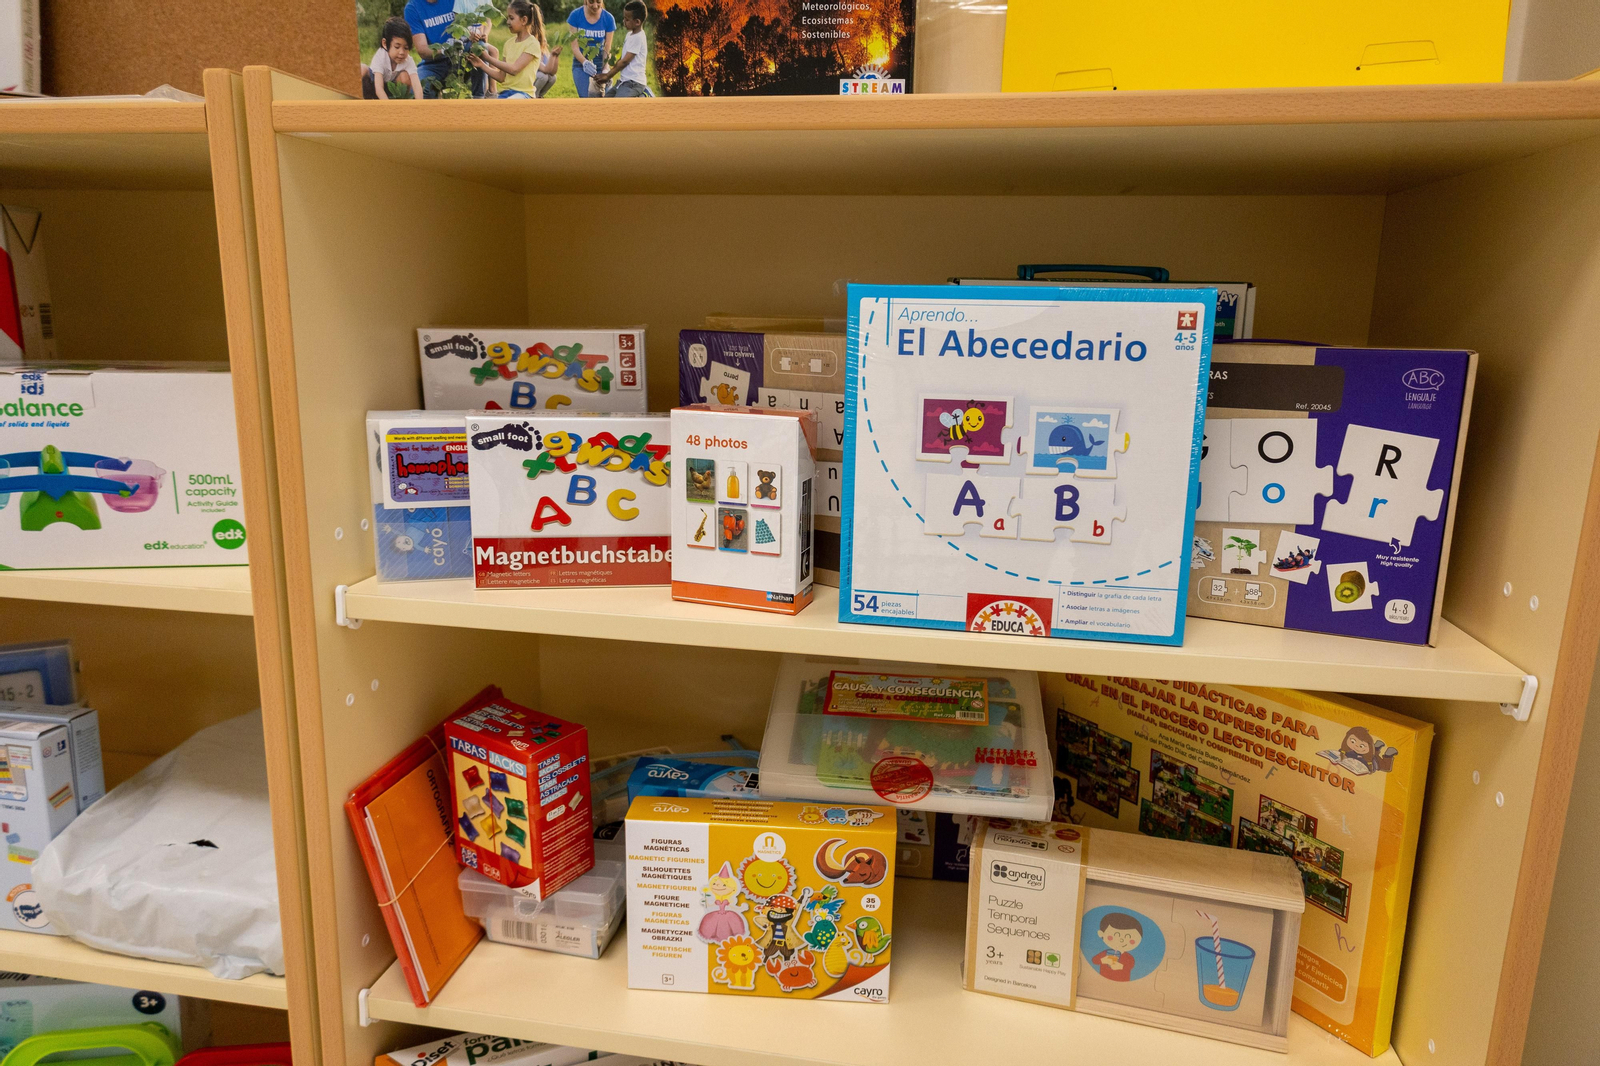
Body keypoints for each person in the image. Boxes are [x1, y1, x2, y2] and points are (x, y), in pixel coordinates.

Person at [403, 0, 495, 97]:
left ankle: (479, 98)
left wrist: (479, 33)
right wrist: (445, 49)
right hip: (434, 64)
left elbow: (479, 15)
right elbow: (423, 50)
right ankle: (436, 103)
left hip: (462, 57)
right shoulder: (413, 8)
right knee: (417, 89)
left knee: (479, 47)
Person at [472, 0, 559, 98]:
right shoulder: (508, 44)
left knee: (505, 104)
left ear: (524, 20)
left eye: (511, 18)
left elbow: (514, 69)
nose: (508, 22)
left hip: (524, 94)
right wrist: (481, 64)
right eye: (508, 18)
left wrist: (487, 58)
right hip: (505, 93)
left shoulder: (532, 43)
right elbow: (501, 77)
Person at [597, 0, 652, 97]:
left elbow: (624, 62)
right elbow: (622, 59)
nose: (623, 21)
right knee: (606, 101)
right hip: (623, 82)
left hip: (634, 83)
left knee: (619, 104)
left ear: (637, 22)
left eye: (627, 19)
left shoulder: (638, 37)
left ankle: (643, 96)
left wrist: (608, 76)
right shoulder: (629, 35)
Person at [362, 18, 426, 100]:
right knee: (361, 69)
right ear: (385, 44)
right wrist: (388, 106)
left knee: (404, 77)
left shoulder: (408, 60)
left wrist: (420, 104)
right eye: (397, 47)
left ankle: (401, 101)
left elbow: (417, 86)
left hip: (391, 89)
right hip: (373, 85)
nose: (401, 52)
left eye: (406, 48)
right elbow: (379, 88)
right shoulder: (381, 57)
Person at [566, 0, 616, 98]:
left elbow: (607, 47)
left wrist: (606, 69)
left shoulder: (608, 18)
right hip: (581, 65)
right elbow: (574, 47)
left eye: (598, 2)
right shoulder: (575, 16)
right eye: (591, 2)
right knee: (587, 98)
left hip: (600, 64)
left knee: (605, 98)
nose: (595, 6)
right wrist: (585, 62)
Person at [1090, 912, 1143, 981]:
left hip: (1123, 983)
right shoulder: (1105, 953)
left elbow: (1131, 965)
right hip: (1102, 981)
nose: (1121, 940)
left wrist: (1121, 967)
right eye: (1116, 935)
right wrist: (1103, 960)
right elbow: (1094, 960)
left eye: (1128, 937)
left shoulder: (1128, 957)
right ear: (1101, 934)